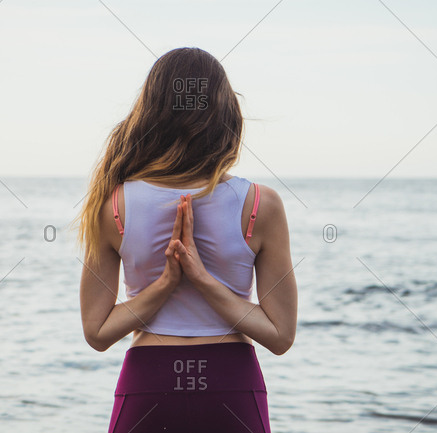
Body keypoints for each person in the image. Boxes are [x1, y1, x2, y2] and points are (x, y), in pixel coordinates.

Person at [74, 47, 297, 433]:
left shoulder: (112, 204)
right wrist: (201, 282)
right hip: (231, 384)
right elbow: (280, 336)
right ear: (225, 114)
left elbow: (97, 333)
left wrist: (166, 285)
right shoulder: (261, 204)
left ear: (151, 112)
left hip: (148, 382)